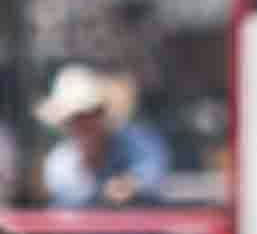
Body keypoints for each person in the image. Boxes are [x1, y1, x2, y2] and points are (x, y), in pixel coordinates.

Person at [34, 64, 172, 208]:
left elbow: (155, 170)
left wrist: (132, 184)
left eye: (91, 114)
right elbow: (75, 205)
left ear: (102, 114)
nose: (85, 123)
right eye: (76, 118)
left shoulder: (138, 142)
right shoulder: (59, 165)